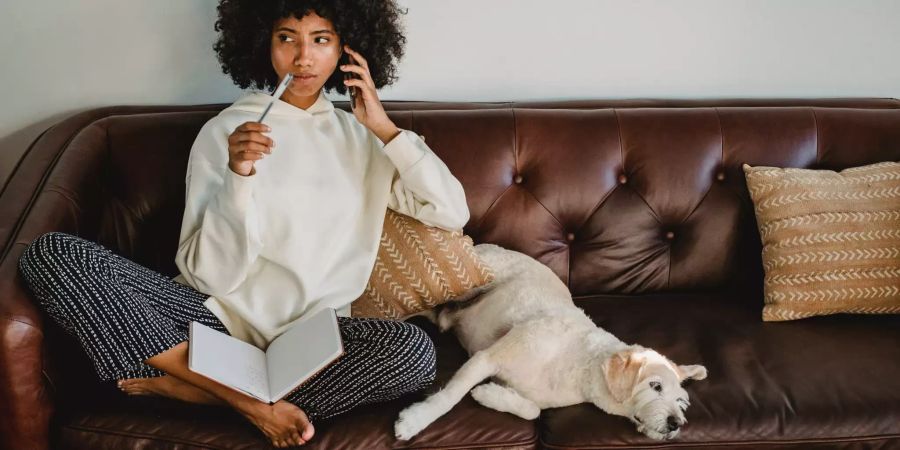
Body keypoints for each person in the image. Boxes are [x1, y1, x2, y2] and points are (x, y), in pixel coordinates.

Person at [17, 0, 470, 447]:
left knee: (414, 352)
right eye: (286, 38)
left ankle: (200, 394)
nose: (303, 58)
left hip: (310, 344)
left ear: (346, 49)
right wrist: (239, 176)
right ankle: (247, 402)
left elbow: (450, 211)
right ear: (262, 44)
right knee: (53, 254)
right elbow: (208, 276)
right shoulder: (226, 132)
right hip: (212, 329)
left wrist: (385, 129)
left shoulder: (365, 139)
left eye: (321, 40)